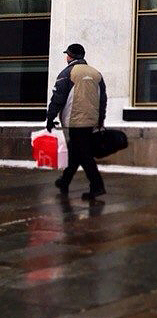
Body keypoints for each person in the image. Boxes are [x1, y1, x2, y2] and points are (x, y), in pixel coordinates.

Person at [45, 43, 107, 200]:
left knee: (84, 154)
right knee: (76, 151)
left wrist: (50, 118)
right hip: (91, 121)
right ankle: (65, 181)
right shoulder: (96, 74)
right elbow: (102, 100)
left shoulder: (67, 73)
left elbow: (58, 98)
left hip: (75, 120)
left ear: (71, 56)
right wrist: (100, 119)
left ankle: (97, 186)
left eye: (67, 54)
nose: (66, 57)